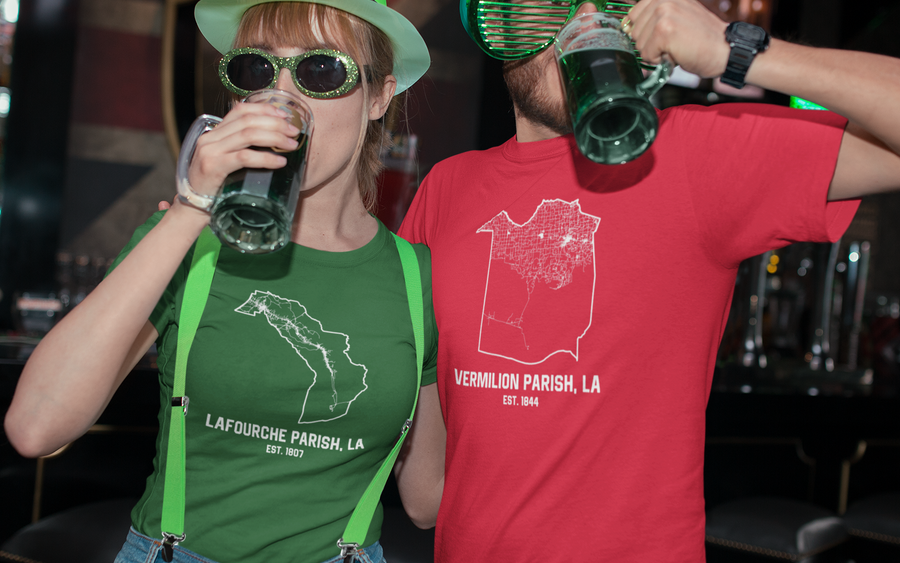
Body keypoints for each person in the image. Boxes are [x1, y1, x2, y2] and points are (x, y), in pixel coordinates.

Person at [397, 0, 900, 561]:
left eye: (609, 11)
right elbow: (425, 497)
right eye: (548, 11)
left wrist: (737, 51)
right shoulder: (447, 188)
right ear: (500, 29)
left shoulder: (693, 155)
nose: (581, 29)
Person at [4, 1, 445, 562]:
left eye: (321, 71)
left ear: (380, 96)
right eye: (256, 71)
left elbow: (427, 499)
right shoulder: (186, 240)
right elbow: (36, 427)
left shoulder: (415, 278)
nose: (280, 98)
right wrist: (192, 208)